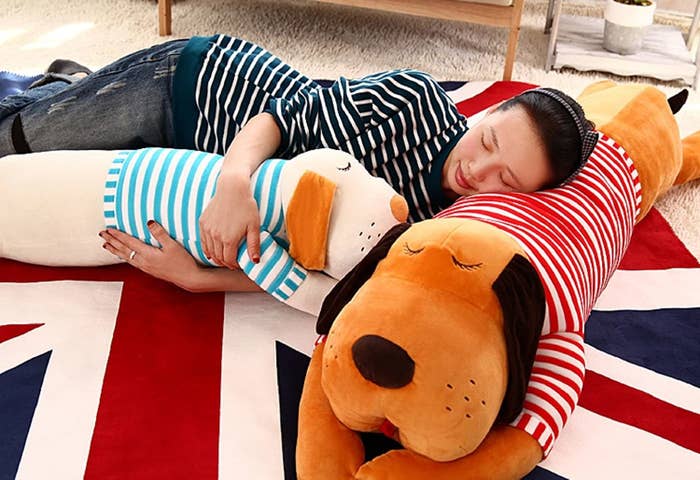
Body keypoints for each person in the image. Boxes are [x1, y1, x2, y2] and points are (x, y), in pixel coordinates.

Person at [0, 34, 596, 291]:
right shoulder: (414, 98)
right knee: (14, 140)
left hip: (174, 164)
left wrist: (196, 279)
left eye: (506, 181)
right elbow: (280, 117)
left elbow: (316, 274)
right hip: (194, 85)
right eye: (487, 141)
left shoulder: (431, 232)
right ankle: (57, 88)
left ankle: (64, 83)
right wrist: (234, 183)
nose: (478, 173)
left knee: (52, 132)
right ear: (488, 115)